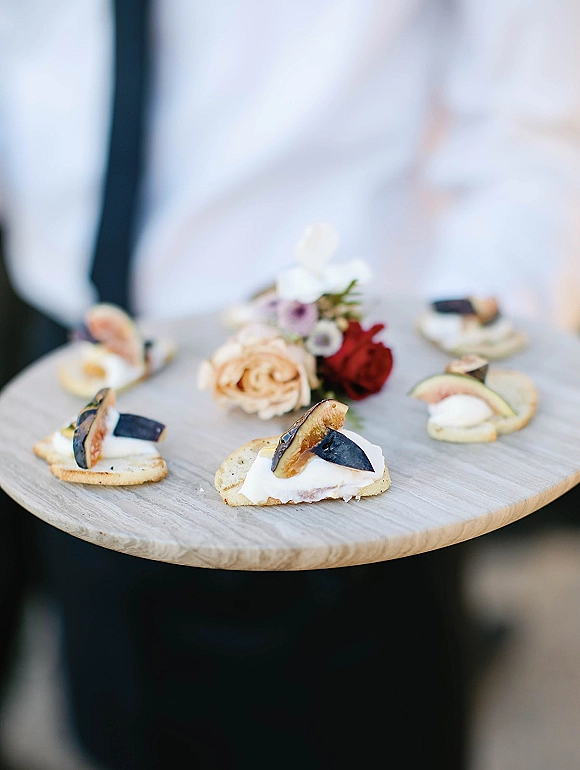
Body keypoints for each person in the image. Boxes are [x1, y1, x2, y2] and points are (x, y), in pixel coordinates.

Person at [0, 1, 579, 768]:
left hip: (346, 400)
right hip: (69, 341)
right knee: (115, 714)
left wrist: (454, 370)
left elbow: (536, 124)